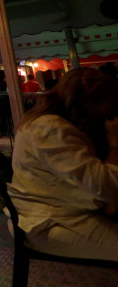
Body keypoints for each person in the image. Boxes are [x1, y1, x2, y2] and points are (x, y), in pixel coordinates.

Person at [7, 67, 118, 261]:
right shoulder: (51, 128)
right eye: (111, 108)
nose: (112, 114)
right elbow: (104, 185)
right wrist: (116, 145)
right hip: (47, 221)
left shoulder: (56, 123)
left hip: (61, 209)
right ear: (91, 101)